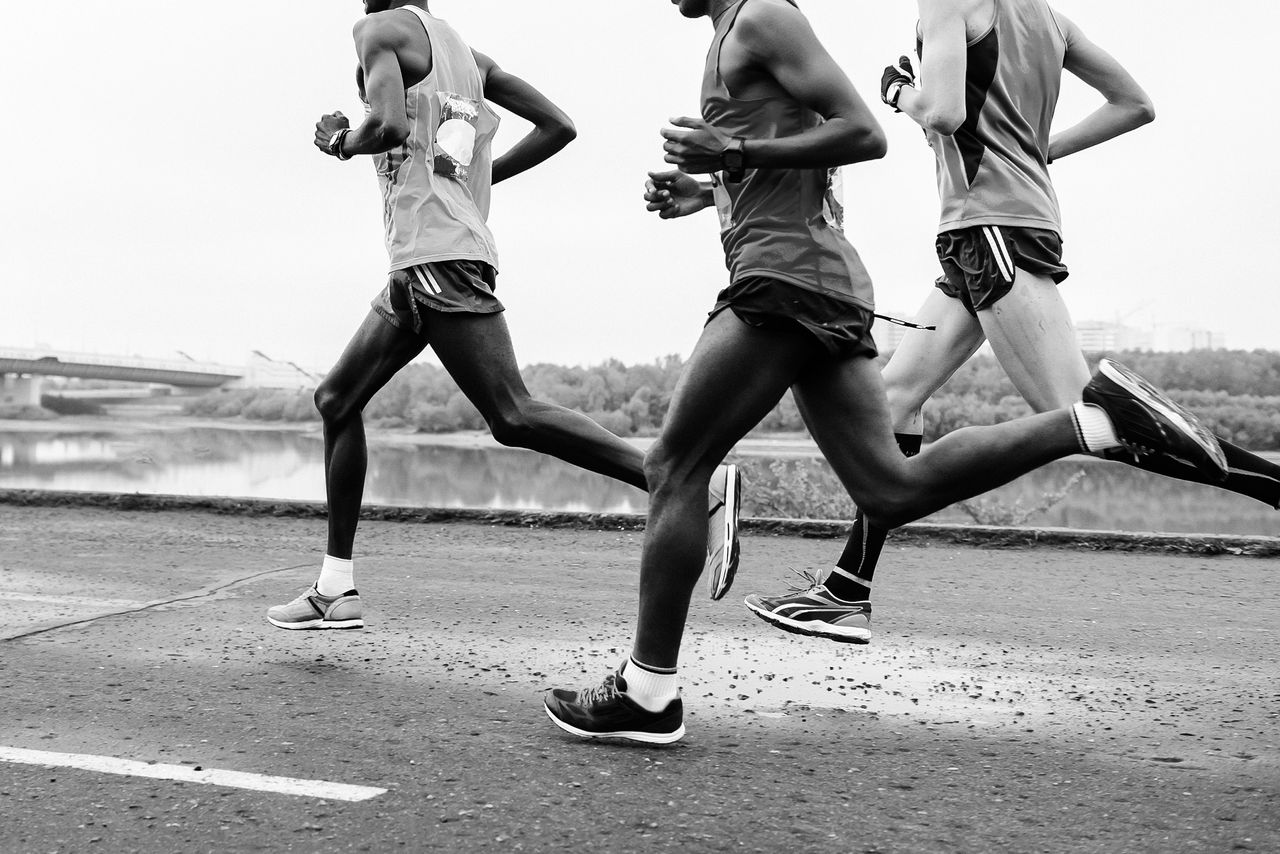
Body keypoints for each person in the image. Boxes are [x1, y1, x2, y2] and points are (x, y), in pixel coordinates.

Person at [542, 0, 1227, 744]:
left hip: (786, 282)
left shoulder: (761, 16)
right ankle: (1092, 421)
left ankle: (648, 693)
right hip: (818, 282)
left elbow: (864, 133)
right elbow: (811, 152)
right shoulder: (739, 32)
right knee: (888, 489)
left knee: (676, 467)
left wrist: (732, 155)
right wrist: (710, 191)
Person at [744, 0, 1280, 645]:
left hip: (988, 227)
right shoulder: (1049, 19)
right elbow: (1134, 104)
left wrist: (899, 92)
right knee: (894, 402)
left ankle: (1273, 486)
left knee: (1081, 415)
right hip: (1000, 225)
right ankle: (845, 590)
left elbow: (942, 113)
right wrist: (1034, 151)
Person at [266, 0, 740, 631]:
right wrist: (474, 183)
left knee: (513, 414)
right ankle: (336, 589)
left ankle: (688, 487)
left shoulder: (377, 30)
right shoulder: (467, 58)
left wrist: (338, 143)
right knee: (336, 400)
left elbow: (384, 127)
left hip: (439, 260)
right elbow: (558, 126)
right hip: (420, 265)